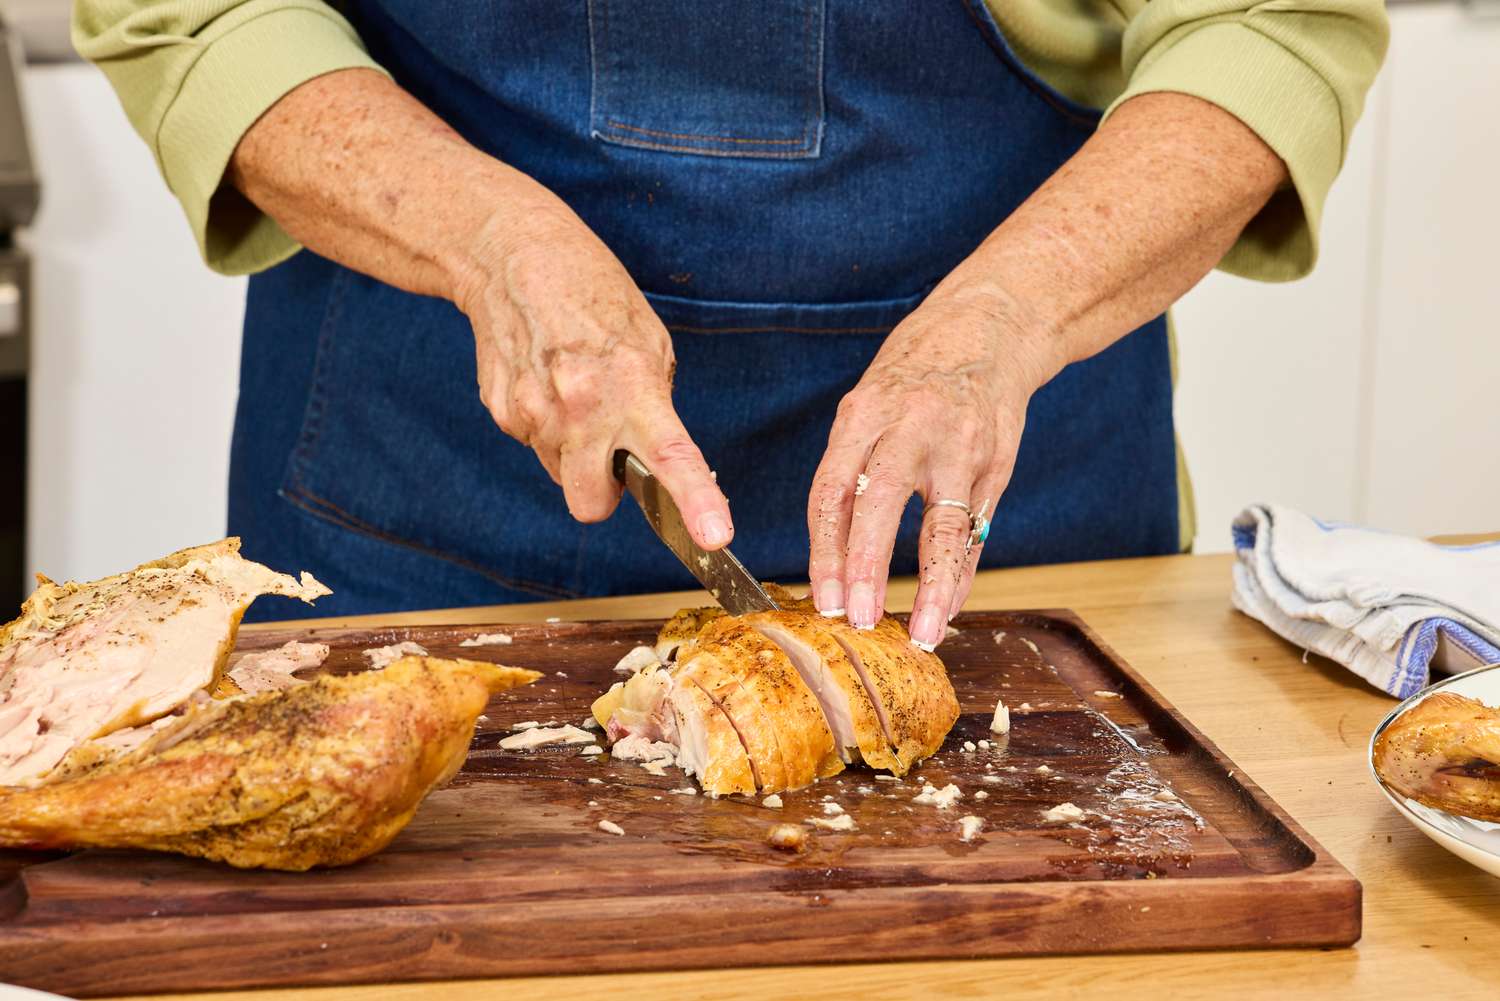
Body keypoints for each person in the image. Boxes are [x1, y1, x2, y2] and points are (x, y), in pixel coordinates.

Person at [74, 2, 1386, 645]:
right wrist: (477, 233)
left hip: (1011, 549)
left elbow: (1270, 25)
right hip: (414, 516)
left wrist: (1008, 311)